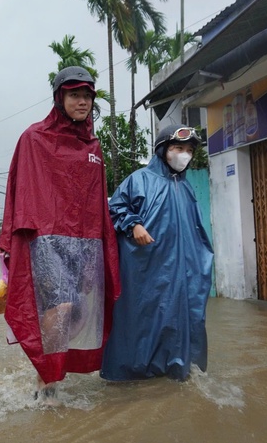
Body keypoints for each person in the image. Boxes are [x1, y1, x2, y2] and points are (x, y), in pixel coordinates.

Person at [0, 66, 120, 403]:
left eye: (87, 96)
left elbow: (97, 201)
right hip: (46, 242)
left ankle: (50, 371)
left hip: (85, 245)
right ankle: (45, 383)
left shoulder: (93, 146)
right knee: (60, 306)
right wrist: (9, 243)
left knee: (79, 311)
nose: (82, 102)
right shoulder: (34, 139)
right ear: (59, 97)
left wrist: (103, 246)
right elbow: (17, 191)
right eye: (74, 94)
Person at [100, 124, 214, 382]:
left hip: (181, 272)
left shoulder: (187, 189)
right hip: (144, 270)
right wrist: (134, 224)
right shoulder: (139, 180)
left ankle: (175, 371)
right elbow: (114, 209)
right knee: (139, 320)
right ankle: (129, 375)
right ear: (163, 150)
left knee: (180, 319)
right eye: (178, 148)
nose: (183, 155)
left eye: (188, 150)